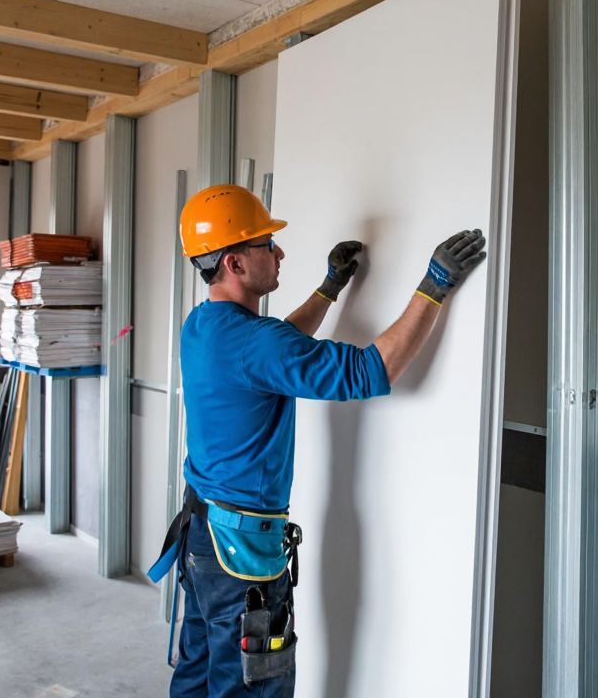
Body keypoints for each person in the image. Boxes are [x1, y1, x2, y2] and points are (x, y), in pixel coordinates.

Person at [148, 184, 486, 697]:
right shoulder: (257, 343)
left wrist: (329, 288)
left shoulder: (205, 325)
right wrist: (434, 286)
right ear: (236, 263)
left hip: (201, 541)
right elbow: (370, 371)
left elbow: (279, 347)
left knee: (196, 676)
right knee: (248, 688)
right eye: (266, 244)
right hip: (240, 559)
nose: (279, 252)